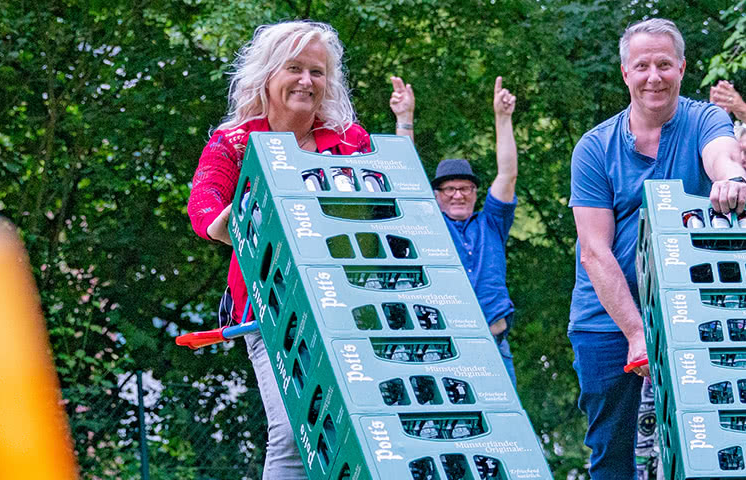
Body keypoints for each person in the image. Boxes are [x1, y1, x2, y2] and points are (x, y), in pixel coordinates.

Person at [568, 18, 746, 479]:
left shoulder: (704, 119)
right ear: (626, 73)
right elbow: (594, 251)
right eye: (642, 65)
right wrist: (635, 331)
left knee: (712, 442)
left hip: (695, 310)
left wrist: (731, 177)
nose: (654, 76)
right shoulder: (594, 147)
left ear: (683, 68)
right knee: (612, 449)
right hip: (605, 319)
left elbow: (722, 155)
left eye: (664, 64)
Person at [185, 20, 368, 480]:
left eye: (317, 72)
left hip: (350, 302)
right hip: (270, 307)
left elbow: (382, 207)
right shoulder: (233, 142)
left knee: (358, 431)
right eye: (295, 68)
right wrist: (256, 216)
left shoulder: (351, 142)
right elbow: (204, 212)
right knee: (291, 431)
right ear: (268, 75)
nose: (307, 81)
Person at [390, 76, 525, 381]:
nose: (458, 194)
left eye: (465, 188)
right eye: (449, 189)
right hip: (444, 348)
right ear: (436, 196)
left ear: (476, 193)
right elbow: (405, 178)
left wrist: (503, 118)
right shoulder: (429, 226)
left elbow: (508, 174)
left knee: (506, 426)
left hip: (495, 345)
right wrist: (404, 119)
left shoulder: (491, 223)